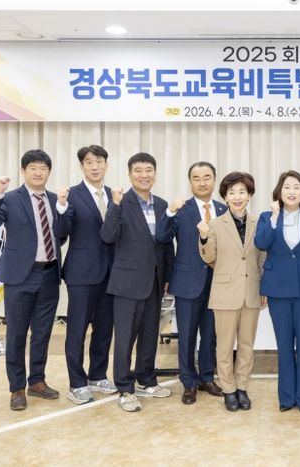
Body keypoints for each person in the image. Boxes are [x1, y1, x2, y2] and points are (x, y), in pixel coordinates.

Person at [0, 149, 65, 411]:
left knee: (42, 333)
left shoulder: (56, 200)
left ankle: (36, 381)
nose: (38, 172)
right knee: (17, 333)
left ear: (49, 172)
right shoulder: (10, 198)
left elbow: (61, 234)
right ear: (23, 171)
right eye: (33, 168)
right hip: (20, 276)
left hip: (49, 274)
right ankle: (16, 388)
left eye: (43, 168)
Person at [100, 152, 174, 412]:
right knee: (125, 338)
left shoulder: (162, 205)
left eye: (149, 170)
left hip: (155, 281)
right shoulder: (121, 202)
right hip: (127, 282)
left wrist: (168, 277)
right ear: (129, 174)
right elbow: (108, 236)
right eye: (138, 171)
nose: (144, 175)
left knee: (150, 334)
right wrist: (114, 206)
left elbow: (166, 244)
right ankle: (124, 387)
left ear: (155, 173)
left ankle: (146, 379)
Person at [254, 170, 300, 414]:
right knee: (284, 346)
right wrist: (275, 218)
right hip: (278, 290)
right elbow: (261, 243)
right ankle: (286, 397)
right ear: (279, 191)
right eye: (287, 187)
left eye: (296, 187)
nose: (292, 191)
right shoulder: (267, 217)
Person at [156, 162, 225, 404]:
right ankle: (189, 382)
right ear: (190, 182)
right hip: (187, 282)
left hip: (218, 284)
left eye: (207, 177)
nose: (202, 182)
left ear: (214, 180)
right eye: (197, 178)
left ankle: (207, 377)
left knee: (210, 335)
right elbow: (162, 236)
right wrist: (169, 212)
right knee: (186, 336)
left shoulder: (224, 209)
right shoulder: (181, 209)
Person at [55, 145, 117, 405]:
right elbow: (60, 233)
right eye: (89, 162)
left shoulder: (115, 196)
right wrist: (60, 207)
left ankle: (98, 375)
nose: (95, 166)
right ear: (81, 166)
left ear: (106, 165)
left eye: (99, 161)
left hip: (111, 273)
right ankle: (77, 383)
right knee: (77, 330)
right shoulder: (72, 195)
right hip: (81, 273)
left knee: (104, 328)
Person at [198, 172, 264, 412]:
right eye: (232, 192)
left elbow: (262, 258)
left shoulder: (259, 223)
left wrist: (263, 287)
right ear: (225, 197)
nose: (237, 197)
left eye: (242, 192)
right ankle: (228, 389)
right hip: (225, 293)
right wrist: (204, 237)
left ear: (249, 196)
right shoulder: (215, 224)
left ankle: (242, 387)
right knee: (224, 346)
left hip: (252, 291)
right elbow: (209, 257)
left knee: (246, 345)